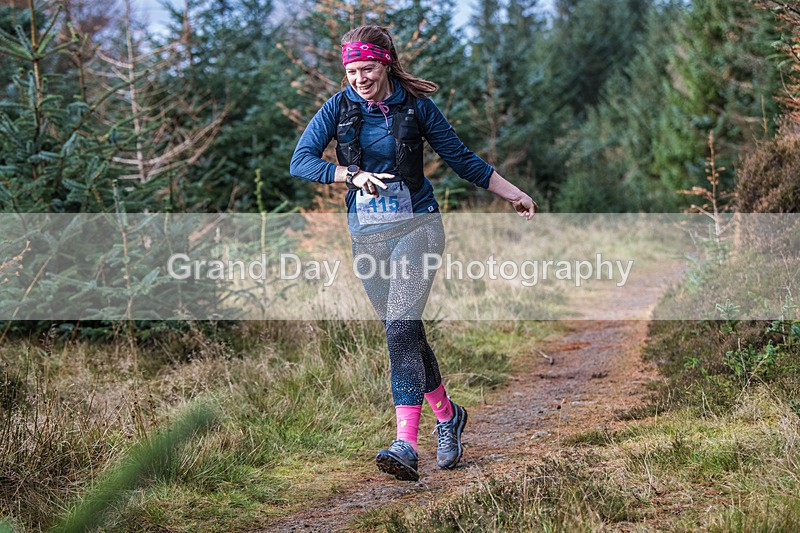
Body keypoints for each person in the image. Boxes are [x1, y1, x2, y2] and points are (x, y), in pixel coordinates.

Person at [290, 25, 537, 482]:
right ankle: (449, 417)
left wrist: (513, 194)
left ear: (385, 63)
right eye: (351, 71)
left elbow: (463, 159)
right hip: (367, 234)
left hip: (419, 227)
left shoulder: (417, 106)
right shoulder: (338, 107)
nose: (359, 79)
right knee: (403, 333)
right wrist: (347, 174)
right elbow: (300, 159)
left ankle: (405, 443)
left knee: (401, 326)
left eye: (366, 69)